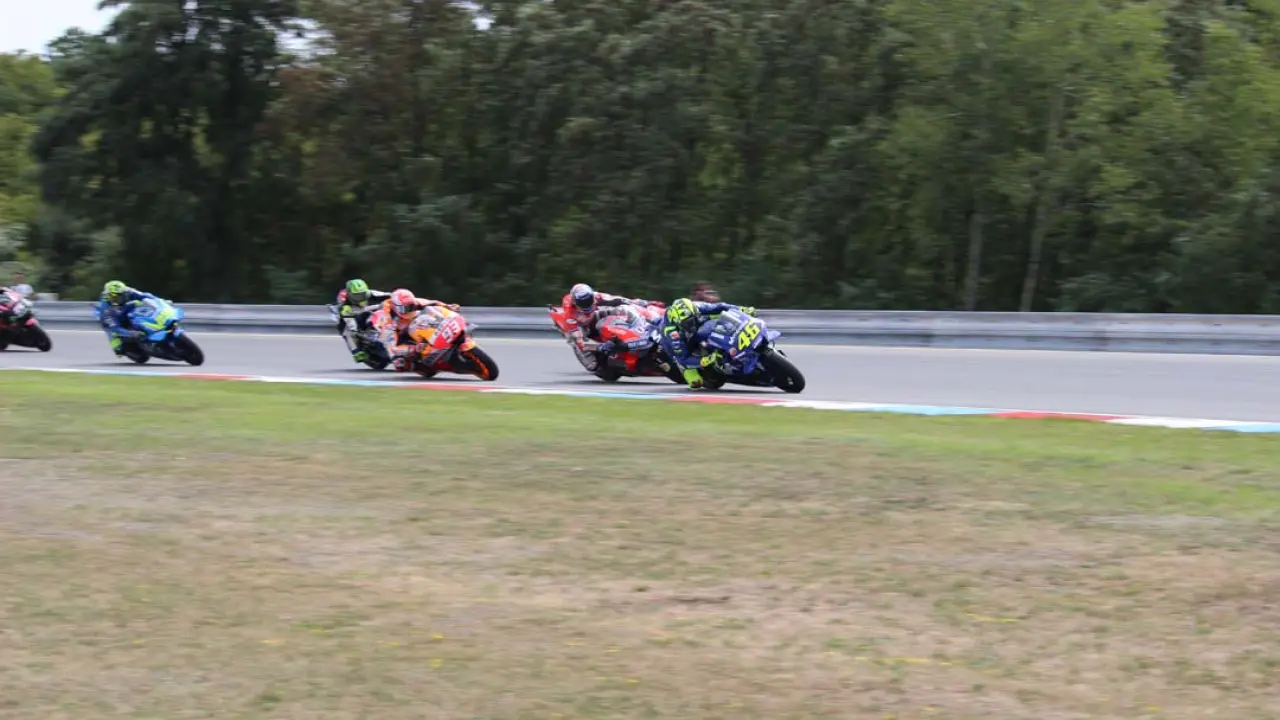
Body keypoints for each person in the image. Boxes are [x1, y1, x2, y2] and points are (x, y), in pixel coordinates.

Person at [658, 297, 758, 389]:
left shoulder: (695, 307)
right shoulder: (672, 334)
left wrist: (741, 309)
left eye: (693, 319)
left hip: (696, 326)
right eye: (688, 323)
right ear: (678, 322)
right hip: (679, 350)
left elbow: (720, 306)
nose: (692, 324)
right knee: (696, 383)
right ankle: (686, 371)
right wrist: (706, 360)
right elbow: (683, 358)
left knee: (717, 315)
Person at [370, 288, 460, 371]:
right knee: (400, 364)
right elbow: (392, 348)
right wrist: (414, 349)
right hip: (391, 336)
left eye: (412, 306)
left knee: (426, 314)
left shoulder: (413, 302)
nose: (410, 310)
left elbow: (433, 303)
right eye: (406, 308)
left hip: (407, 324)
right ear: (396, 308)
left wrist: (448, 306)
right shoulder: (387, 321)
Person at [558, 283, 657, 351]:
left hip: (592, 315)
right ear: (575, 303)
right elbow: (581, 344)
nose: (587, 304)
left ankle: (640, 328)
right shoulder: (569, 315)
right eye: (583, 303)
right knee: (576, 339)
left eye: (589, 300)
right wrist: (599, 347)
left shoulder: (597, 296)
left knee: (622, 309)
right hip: (578, 323)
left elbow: (618, 299)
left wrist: (642, 302)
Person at [94, 280, 162, 356]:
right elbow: (114, 328)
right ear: (111, 297)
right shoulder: (105, 309)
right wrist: (132, 333)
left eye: (122, 295)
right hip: (110, 315)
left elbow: (145, 295)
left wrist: (159, 300)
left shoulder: (128, 291)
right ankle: (116, 344)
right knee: (116, 343)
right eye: (118, 297)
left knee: (139, 305)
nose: (121, 298)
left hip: (125, 307)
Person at [333, 278, 394, 363]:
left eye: (363, 294)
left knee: (377, 312)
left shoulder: (369, 293)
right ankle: (355, 352)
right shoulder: (344, 301)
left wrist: (396, 297)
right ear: (350, 295)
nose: (360, 297)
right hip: (347, 314)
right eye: (357, 296)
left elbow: (388, 295)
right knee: (349, 329)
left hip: (363, 310)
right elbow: (353, 312)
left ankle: (380, 331)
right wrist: (377, 306)